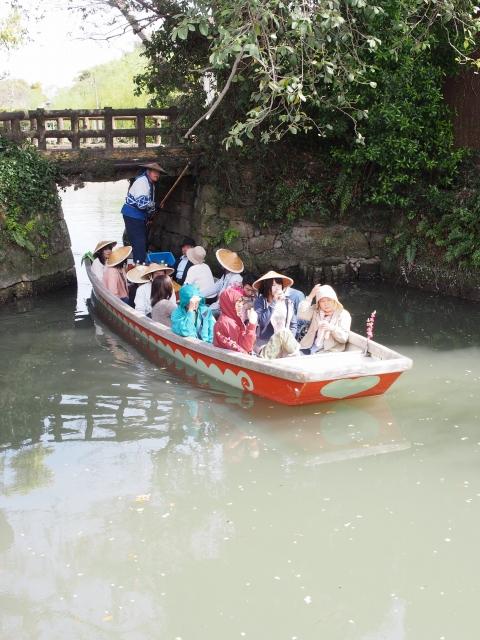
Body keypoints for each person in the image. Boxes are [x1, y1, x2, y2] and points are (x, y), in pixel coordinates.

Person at [121, 162, 167, 264]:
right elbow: (142, 204)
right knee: (139, 244)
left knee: (143, 244)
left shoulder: (151, 184)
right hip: (132, 216)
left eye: (159, 173)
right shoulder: (142, 182)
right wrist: (156, 205)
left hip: (140, 217)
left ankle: (140, 263)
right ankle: (139, 268)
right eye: (155, 172)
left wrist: (153, 212)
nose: (157, 175)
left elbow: (148, 205)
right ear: (148, 171)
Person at [298, 284, 352, 354]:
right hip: (309, 347)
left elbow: (344, 338)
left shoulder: (343, 314)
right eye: (322, 301)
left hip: (329, 351)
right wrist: (311, 296)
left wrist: (332, 328)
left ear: (334, 300)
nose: (326, 304)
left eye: (329, 300)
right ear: (318, 303)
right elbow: (301, 314)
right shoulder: (315, 310)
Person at [253, 270, 297, 351]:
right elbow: (262, 322)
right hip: (265, 342)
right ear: (267, 287)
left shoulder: (288, 302)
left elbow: (293, 324)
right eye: (273, 285)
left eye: (279, 284)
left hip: (285, 341)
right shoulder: (260, 301)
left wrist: (290, 339)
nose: (277, 287)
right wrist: (274, 302)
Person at [213, 288, 258, 354]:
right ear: (228, 303)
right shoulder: (224, 323)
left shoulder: (236, 320)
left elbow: (246, 346)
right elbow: (243, 348)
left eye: (240, 302)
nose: (240, 306)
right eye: (237, 302)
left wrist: (251, 324)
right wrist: (251, 325)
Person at [206, 249, 244, 316]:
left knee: (204, 314)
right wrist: (199, 294)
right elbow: (216, 287)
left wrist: (211, 308)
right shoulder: (226, 275)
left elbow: (225, 298)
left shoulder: (236, 279)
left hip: (225, 310)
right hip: (219, 305)